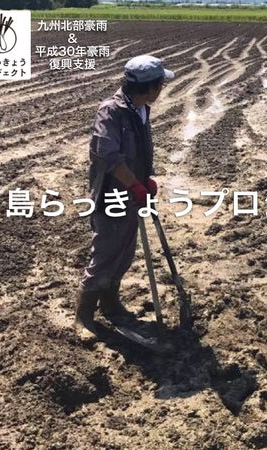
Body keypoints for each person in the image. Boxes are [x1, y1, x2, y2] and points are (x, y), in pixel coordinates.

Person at [74, 55, 175, 341]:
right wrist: (134, 185)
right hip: (112, 196)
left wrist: (145, 180)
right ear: (151, 88)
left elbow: (138, 152)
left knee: (124, 253)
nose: (162, 89)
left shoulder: (140, 109)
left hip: (132, 194)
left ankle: (111, 304)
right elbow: (107, 155)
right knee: (106, 253)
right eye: (161, 85)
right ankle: (83, 317)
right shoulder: (111, 112)